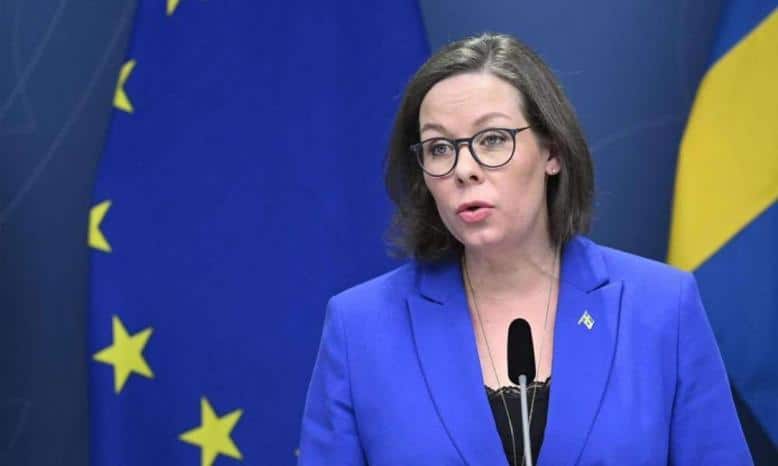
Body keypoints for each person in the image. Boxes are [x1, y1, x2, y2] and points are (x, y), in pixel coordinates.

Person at [297, 33, 752, 466]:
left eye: (492, 139)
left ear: (552, 151)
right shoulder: (360, 327)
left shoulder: (661, 308)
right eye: (439, 148)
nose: (464, 169)